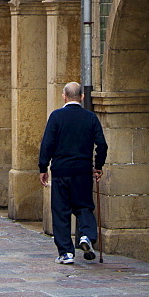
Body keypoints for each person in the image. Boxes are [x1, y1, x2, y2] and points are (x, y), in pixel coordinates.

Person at [39, 81, 108, 265]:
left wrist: (42, 167)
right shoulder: (90, 117)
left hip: (61, 169)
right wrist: (98, 165)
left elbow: (47, 144)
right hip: (82, 170)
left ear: (64, 96)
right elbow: (102, 144)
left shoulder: (56, 117)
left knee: (61, 210)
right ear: (82, 97)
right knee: (84, 206)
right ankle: (86, 235)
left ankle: (66, 252)